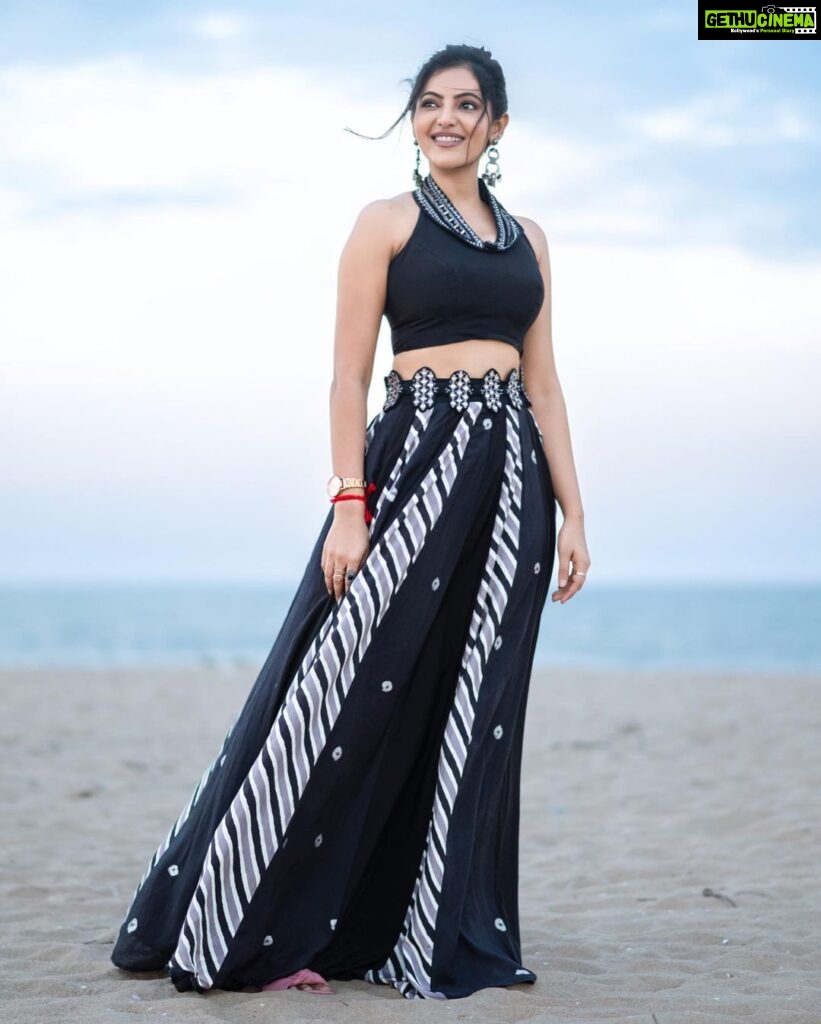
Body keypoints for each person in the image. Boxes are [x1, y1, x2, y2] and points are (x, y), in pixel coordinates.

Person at [110, 42, 591, 1002]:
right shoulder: (384, 223)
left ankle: (420, 921)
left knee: (473, 706)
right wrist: (347, 505)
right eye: (428, 104)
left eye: (465, 105)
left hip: (510, 493)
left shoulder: (531, 240)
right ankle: (251, 919)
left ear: (498, 124)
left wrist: (574, 511)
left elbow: (544, 385)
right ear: (412, 120)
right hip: (411, 469)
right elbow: (344, 375)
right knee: (334, 687)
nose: (445, 118)